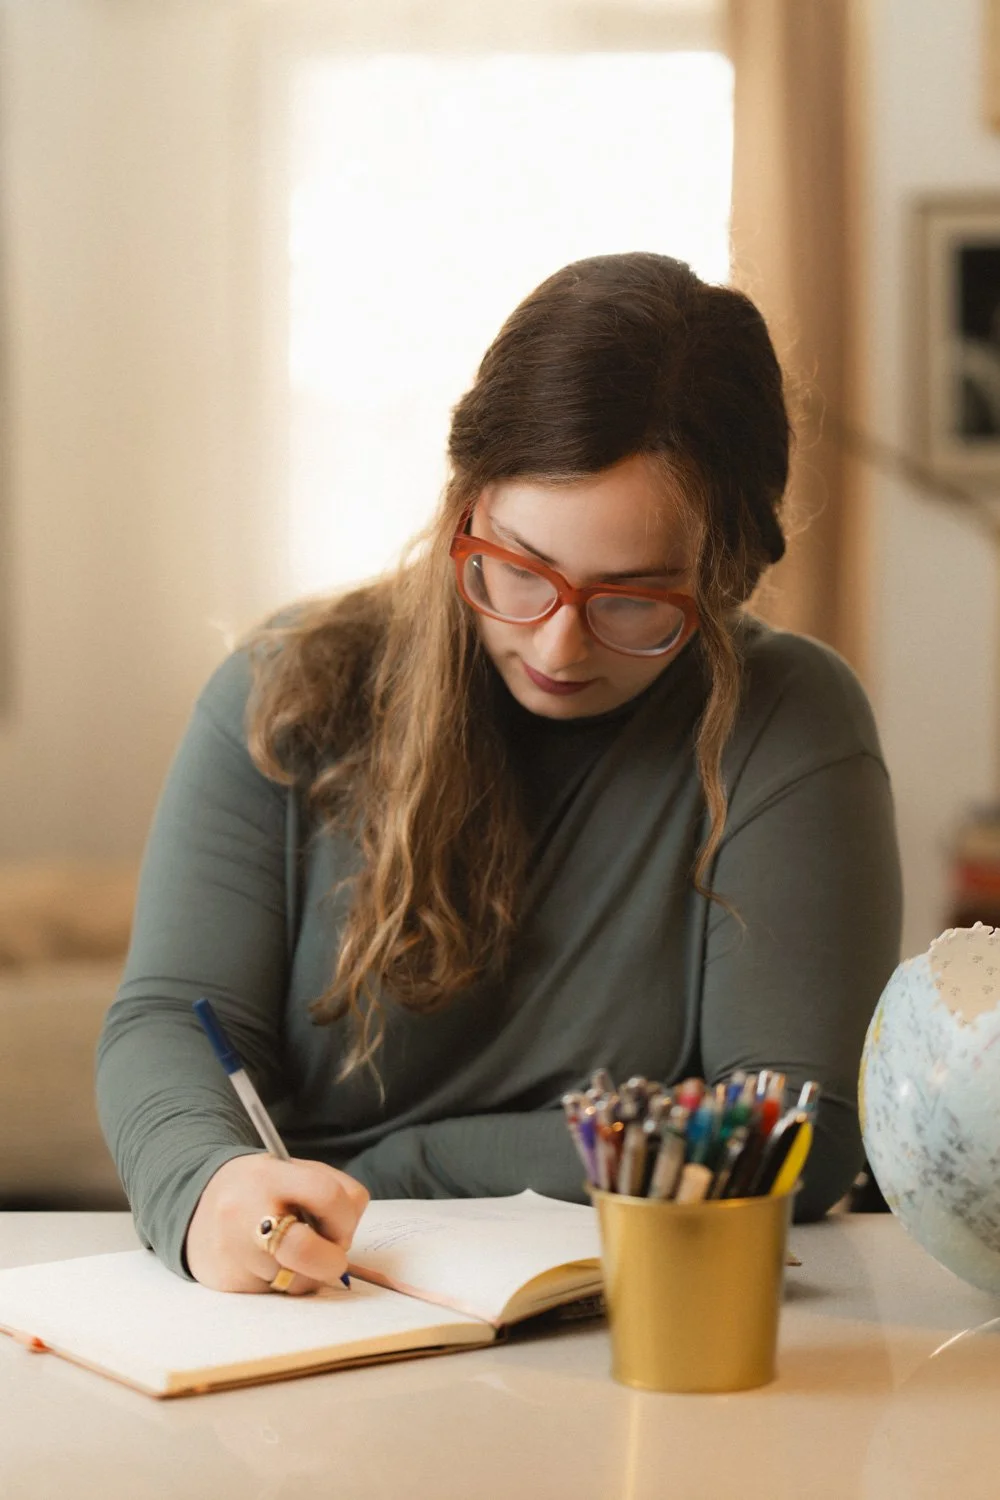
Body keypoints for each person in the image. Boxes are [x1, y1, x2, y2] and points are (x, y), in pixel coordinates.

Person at [96, 252, 902, 1298]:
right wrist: (208, 1187)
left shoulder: (786, 721)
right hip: (298, 1302)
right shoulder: (286, 691)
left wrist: (395, 1173)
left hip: (625, 1327)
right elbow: (171, 1015)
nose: (559, 646)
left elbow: (794, 1130)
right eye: (516, 570)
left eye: (633, 602)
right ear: (461, 506)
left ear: (728, 576)